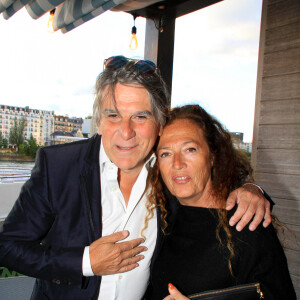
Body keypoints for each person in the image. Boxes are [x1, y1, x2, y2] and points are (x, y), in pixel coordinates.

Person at [0, 57, 271, 300]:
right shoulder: (58, 166)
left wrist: (251, 189)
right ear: (98, 120)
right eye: (113, 115)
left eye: (140, 116)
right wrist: (86, 262)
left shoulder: (168, 170)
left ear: (159, 122)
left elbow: (208, 175)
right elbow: (8, 246)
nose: (126, 132)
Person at [146, 105, 296, 300]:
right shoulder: (163, 217)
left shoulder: (246, 223)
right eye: (165, 153)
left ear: (213, 156)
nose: (177, 163)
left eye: (190, 149)